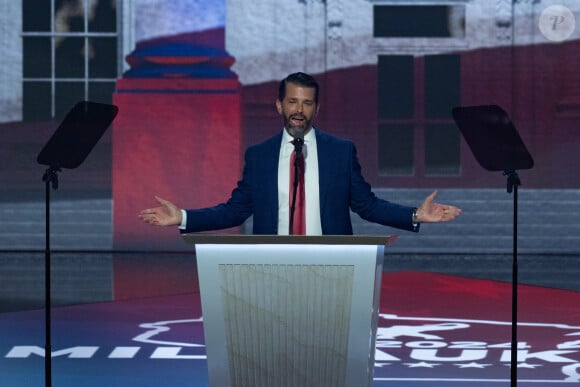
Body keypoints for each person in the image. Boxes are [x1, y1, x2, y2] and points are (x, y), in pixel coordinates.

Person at [139, 72, 461, 235]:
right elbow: (235, 211)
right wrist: (182, 217)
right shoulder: (259, 156)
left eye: (307, 103)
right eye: (292, 102)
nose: (299, 110)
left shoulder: (341, 152)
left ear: (316, 109)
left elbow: (367, 206)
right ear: (279, 105)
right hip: (271, 266)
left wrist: (415, 215)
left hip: (332, 267)